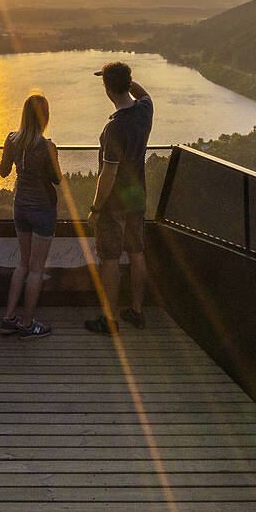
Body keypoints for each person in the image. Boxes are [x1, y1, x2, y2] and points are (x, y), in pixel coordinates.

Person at [85, 61, 152, 333]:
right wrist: (125, 80)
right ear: (129, 83)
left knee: (110, 258)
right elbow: (143, 93)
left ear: (107, 89)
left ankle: (109, 319)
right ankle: (137, 311)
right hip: (137, 198)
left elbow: (108, 176)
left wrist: (95, 208)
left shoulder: (114, 128)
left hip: (113, 205)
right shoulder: (145, 111)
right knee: (137, 254)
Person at [0, 93, 67, 337]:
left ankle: (8, 318)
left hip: (21, 208)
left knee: (23, 264)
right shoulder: (47, 146)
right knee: (37, 269)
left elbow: (3, 171)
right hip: (43, 210)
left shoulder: (11, 140)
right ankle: (27, 324)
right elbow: (57, 179)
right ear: (44, 117)